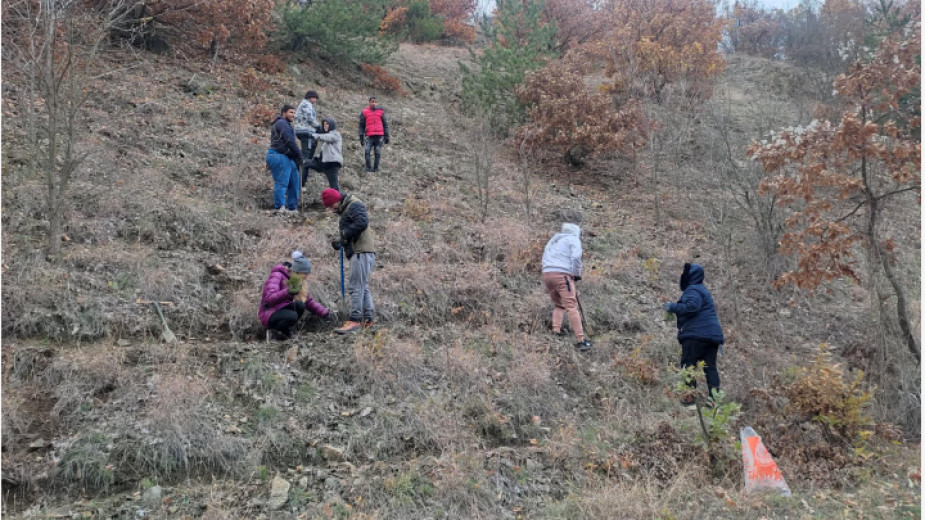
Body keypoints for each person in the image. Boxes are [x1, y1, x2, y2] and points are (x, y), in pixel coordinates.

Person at [662, 263, 725, 407]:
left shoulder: (693, 289)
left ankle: (689, 400)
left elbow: (693, 306)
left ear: (690, 276)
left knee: (688, 365)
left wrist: (672, 307)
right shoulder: (703, 290)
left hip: (696, 335)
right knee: (710, 368)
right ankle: (714, 402)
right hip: (712, 336)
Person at [321, 188, 376, 334]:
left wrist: (345, 233)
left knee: (355, 286)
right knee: (362, 286)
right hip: (362, 251)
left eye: (330, 205)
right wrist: (342, 242)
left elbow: (362, 223)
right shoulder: (348, 207)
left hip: (360, 252)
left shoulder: (354, 205)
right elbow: (354, 230)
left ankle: (355, 320)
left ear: (336, 201)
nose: (331, 209)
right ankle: (368, 319)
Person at [259, 251, 333, 341]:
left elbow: (308, 301)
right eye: (305, 273)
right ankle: (273, 332)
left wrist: (325, 314)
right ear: (297, 271)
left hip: (283, 310)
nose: (306, 276)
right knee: (292, 316)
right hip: (269, 312)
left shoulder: (298, 281)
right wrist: (288, 292)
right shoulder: (277, 275)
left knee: (300, 305)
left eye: (307, 273)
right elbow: (269, 299)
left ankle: (285, 331)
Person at [542, 223, 592, 351]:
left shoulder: (554, 241)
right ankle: (581, 341)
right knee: (571, 306)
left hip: (547, 274)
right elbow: (576, 257)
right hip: (562, 275)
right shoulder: (573, 239)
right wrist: (576, 275)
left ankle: (555, 330)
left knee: (559, 304)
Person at [266, 104, 303, 214]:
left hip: (287, 157)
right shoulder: (281, 123)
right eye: (291, 112)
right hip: (278, 155)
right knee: (282, 183)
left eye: (294, 113)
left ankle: (292, 208)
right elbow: (289, 141)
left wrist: (296, 157)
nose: (293, 115)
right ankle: (280, 208)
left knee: (294, 181)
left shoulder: (285, 124)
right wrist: (299, 155)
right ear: (284, 113)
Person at [302, 117, 342, 192]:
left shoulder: (335, 134)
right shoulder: (325, 139)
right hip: (322, 163)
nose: (325, 126)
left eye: (327, 124)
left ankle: (342, 201)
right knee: (305, 163)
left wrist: (312, 135)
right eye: (324, 124)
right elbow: (324, 153)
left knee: (334, 188)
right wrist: (317, 158)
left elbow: (326, 137)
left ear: (331, 125)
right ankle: (302, 185)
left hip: (331, 164)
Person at [295, 90, 322, 185]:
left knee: (308, 156)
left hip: (305, 131)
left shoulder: (305, 104)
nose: (315, 100)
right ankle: (300, 182)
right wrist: (318, 126)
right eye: (314, 98)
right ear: (310, 97)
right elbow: (310, 118)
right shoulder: (306, 104)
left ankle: (303, 180)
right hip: (305, 131)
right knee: (305, 158)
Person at [358, 95, 389, 173]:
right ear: (369, 102)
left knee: (377, 151)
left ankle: (376, 168)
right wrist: (361, 137)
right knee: (367, 151)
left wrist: (386, 136)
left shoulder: (381, 111)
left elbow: (385, 124)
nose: (374, 103)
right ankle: (368, 168)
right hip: (369, 136)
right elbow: (361, 126)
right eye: (372, 101)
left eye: (375, 102)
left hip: (379, 135)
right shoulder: (364, 112)